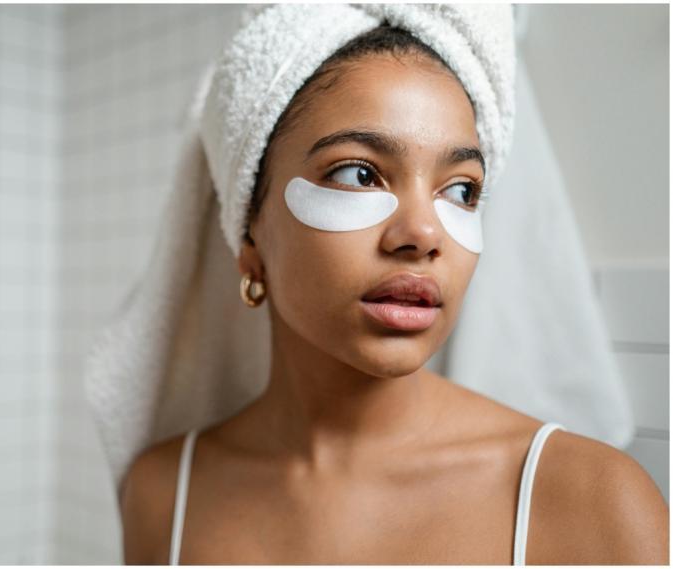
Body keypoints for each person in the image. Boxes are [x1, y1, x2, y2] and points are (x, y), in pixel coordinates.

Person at [116, 12, 668, 566]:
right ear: (249, 239)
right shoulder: (162, 495)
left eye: (460, 189)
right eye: (358, 174)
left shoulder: (596, 505)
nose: (425, 235)